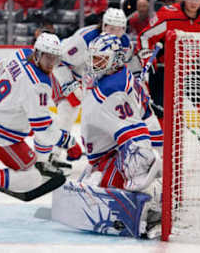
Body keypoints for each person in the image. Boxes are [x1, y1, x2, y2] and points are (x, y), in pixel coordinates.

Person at [55, 33, 162, 238]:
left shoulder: (114, 89)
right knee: (88, 188)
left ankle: (153, 209)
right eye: (93, 58)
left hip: (129, 148)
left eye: (100, 58)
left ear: (115, 59)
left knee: (111, 186)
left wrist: (138, 167)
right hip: (112, 148)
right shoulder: (110, 77)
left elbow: (135, 134)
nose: (94, 64)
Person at [0, 33, 79, 193]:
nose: (51, 64)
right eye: (47, 58)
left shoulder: (21, 54)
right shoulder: (38, 85)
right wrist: (68, 142)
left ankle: (41, 163)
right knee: (32, 179)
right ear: (37, 53)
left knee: (51, 120)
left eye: (55, 59)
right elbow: (43, 131)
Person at [136, 0, 200, 164]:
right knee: (161, 114)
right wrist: (146, 58)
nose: (193, 1)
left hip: (190, 70)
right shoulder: (168, 15)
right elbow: (145, 36)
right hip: (162, 71)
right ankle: (162, 153)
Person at [53, 8, 137, 145]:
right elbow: (58, 60)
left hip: (94, 78)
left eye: (120, 29)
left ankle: (104, 148)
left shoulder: (125, 42)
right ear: (103, 25)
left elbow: (125, 63)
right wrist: (70, 85)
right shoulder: (84, 38)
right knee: (68, 109)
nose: (116, 33)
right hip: (71, 73)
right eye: (111, 28)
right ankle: (53, 152)